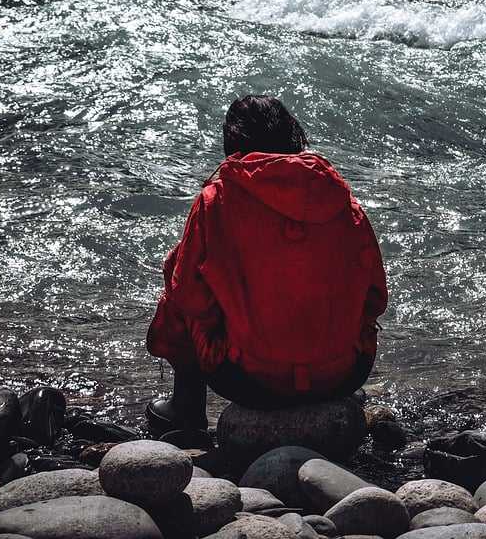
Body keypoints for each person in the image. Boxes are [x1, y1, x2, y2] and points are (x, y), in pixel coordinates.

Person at [145, 95, 388, 434]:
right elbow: (376, 297)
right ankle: (328, 381)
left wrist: (230, 324)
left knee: (178, 271)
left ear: (234, 143)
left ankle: (187, 408)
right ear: (292, 137)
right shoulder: (339, 196)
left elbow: (187, 296)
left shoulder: (216, 200)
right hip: (345, 374)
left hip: (249, 381)